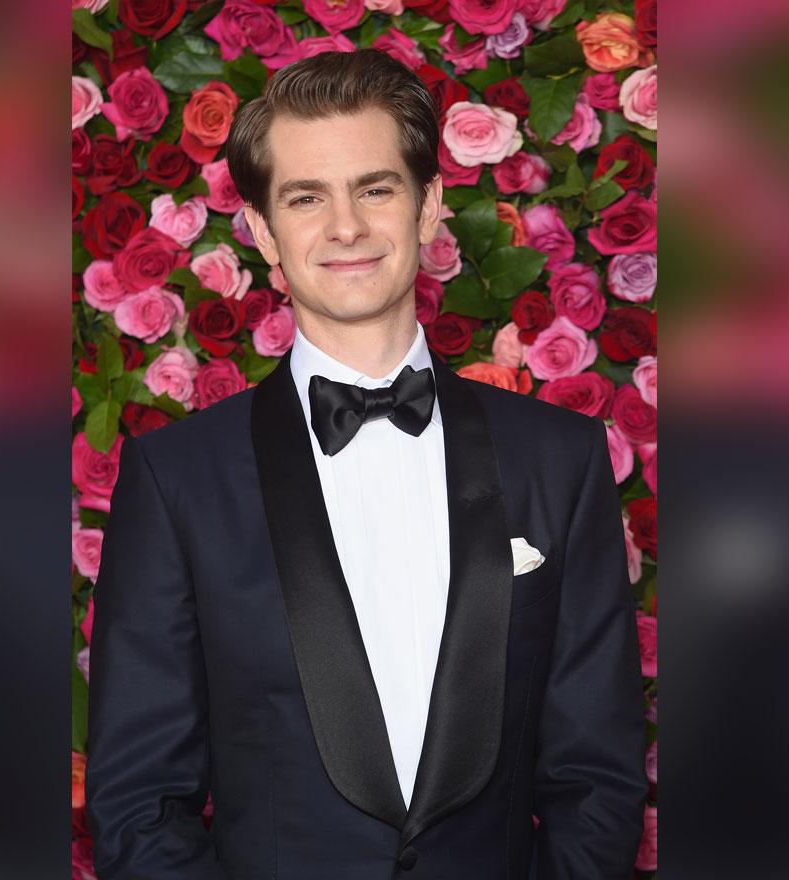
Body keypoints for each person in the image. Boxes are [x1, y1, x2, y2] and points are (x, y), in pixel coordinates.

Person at [85, 49, 646, 880]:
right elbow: (139, 802)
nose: (345, 227)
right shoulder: (177, 482)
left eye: (375, 189)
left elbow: (596, 776)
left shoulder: (557, 461)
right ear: (266, 235)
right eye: (307, 198)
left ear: (428, 210)